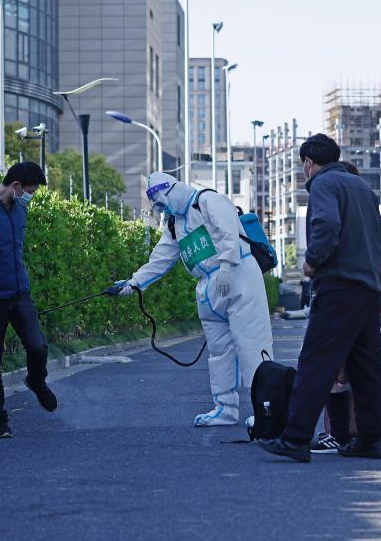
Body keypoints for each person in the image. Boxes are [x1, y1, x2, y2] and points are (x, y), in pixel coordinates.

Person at [259, 133, 381, 462]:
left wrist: (312, 260)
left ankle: (295, 438)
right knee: (366, 368)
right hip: (368, 288)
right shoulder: (362, 187)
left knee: (316, 362)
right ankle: (371, 439)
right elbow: (377, 239)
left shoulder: (323, 184)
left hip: (338, 285)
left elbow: (328, 224)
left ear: (308, 163)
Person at [111, 172, 273, 427]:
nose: (162, 208)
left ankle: (267, 409)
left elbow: (227, 232)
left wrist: (228, 267)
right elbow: (161, 259)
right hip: (209, 287)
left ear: (172, 189)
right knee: (219, 351)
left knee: (252, 345)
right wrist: (133, 282)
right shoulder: (175, 224)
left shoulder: (208, 201)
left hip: (239, 276)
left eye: (162, 201)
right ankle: (225, 408)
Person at [0, 162, 57, 438]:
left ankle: (36, 381)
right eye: (29, 191)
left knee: (38, 346)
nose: (30, 196)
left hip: (20, 294)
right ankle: (0, 421)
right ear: (15, 185)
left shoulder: (20, 211)